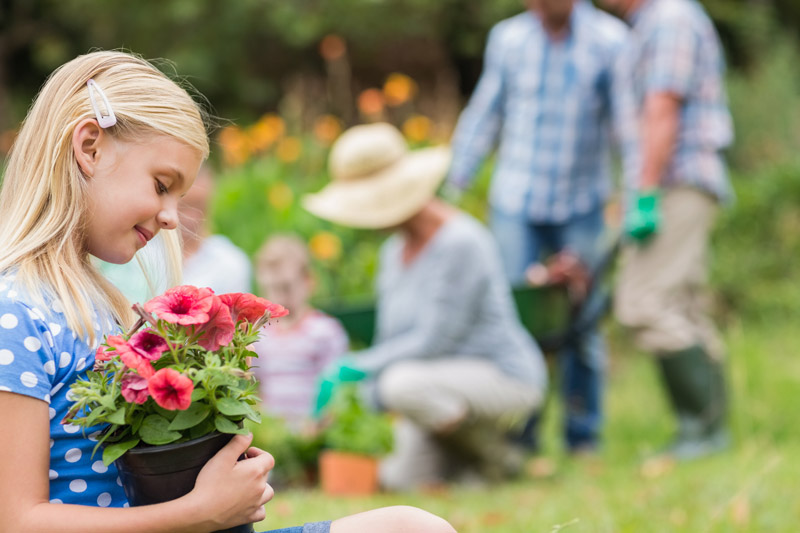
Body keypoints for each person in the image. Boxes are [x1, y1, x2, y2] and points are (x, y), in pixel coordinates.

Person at [0, 50, 456, 533]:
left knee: (415, 526)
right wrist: (199, 512)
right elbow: (17, 520)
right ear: (89, 147)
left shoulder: (99, 304)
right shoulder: (17, 310)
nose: (172, 216)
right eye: (161, 185)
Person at [303, 122, 548, 489]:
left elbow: (434, 342)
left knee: (400, 385)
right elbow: (391, 342)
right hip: (437, 387)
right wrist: (353, 397)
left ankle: (498, 459)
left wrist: (352, 368)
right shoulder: (392, 254)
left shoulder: (461, 243)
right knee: (398, 479)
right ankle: (470, 467)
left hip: (503, 376)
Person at [444, 0, 628, 454]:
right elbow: (486, 112)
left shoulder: (610, 41)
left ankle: (583, 437)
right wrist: (454, 183)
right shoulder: (508, 39)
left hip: (582, 203)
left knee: (581, 321)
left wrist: (637, 192)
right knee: (514, 318)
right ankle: (520, 436)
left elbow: (627, 125)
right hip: (517, 203)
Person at [599, 0, 733, 460]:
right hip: (676, 184)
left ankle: (698, 431)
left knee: (644, 304)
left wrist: (647, 192)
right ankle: (710, 433)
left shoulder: (668, 19)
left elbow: (662, 110)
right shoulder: (650, 25)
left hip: (676, 183)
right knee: (683, 306)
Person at [251, 234, 349, 433]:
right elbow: (256, 386)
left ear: (308, 281)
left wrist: (320, 423)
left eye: (286, 287)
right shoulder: (260, 335)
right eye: (271, 288)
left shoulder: (325, 331)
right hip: (274, 431)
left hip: (313, 429)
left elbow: (337, 386)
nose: (278, 297)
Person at [180, 164, 253, 293]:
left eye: (198, 206)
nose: (191, 217)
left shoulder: (230, 262)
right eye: (184, 206)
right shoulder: (146, 252)